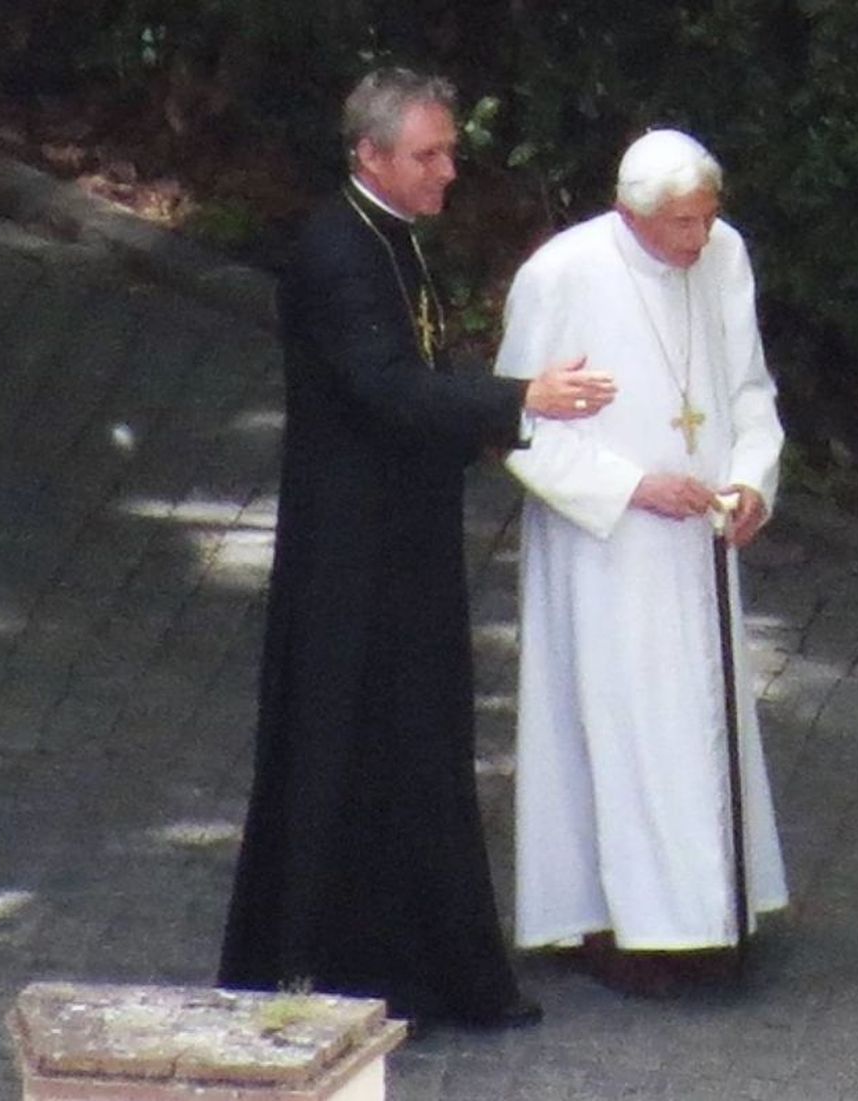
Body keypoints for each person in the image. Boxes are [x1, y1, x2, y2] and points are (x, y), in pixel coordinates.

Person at [218, 67, 615, 1029]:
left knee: (418, 749)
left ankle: (419, 970)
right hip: (352, 556)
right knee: (347, 748)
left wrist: (494, 410)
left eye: (449, 152)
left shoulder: (397, 241)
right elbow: (386, 387)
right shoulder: (336, 252)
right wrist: (518, 399)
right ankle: (318, 968)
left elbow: (417, 375)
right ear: (371, 155)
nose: (448, 172)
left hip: (406, 540)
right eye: (428, 154)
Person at [494, 128, 788, 996]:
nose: (697, 241)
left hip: (698, 544)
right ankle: (617, 921)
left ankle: (709, 912)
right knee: (617, 726)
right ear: (631, 214)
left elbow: (748, 387)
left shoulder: (723, 257)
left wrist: (750, 480)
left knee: (698, 719)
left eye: (707, 219)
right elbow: (518, 425)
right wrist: (630, 486)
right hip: (606, 548)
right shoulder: (561, 275)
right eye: (680, 226)